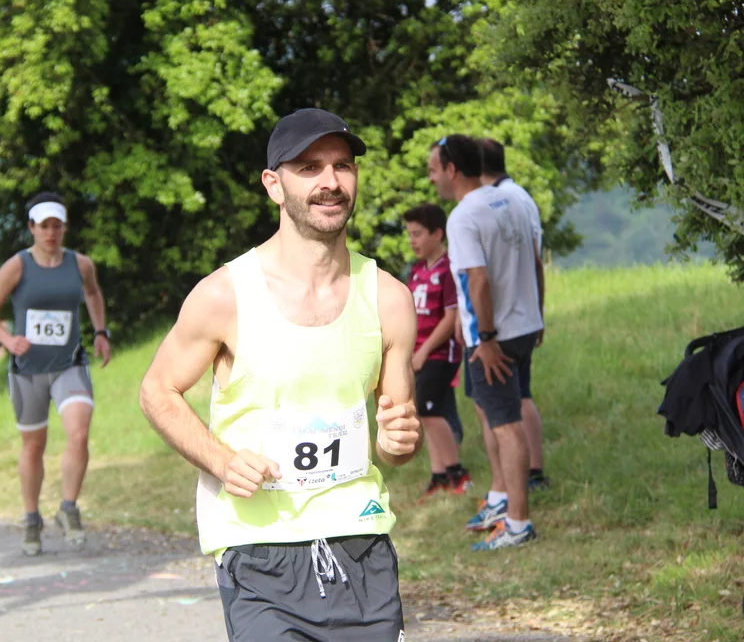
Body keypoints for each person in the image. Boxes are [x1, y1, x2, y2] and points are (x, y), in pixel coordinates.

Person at [140, 108, 421, 641]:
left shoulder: (388, 298)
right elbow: (158, 390)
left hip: (361, 543)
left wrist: (400, 440)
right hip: (258, 549)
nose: (330, 182)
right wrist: (222, 462)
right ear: (274, 184)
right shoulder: (225, 294)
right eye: (309, 168)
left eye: (342, 166)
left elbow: (396, 441)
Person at [0, 192, 112, 556]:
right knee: (33, 446)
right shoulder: (17, 266)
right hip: (28, 370)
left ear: (64, 228)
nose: (51, 233)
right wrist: (8, 340)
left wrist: (100, 331)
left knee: (79, 433)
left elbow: (93, 293)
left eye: (57, 226)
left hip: (70, 364)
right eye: (44, 226)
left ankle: (68, 508)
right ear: (32, 228)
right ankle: (31, 518)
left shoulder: (80, 264)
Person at [427, 135, 543, 550]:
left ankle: (518, 523)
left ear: (452, 169)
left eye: (434, 170)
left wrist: (488, 338)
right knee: (487, 408)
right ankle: (499, 497)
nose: (432, 179)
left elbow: (477, 279)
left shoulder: (463, 216)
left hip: (495, 337)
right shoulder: (513, 199)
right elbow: (534, 261)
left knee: (506, 425)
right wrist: (538, 314)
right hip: (523, 325)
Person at [478, 138, 550, 491]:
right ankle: (528, 471)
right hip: (524, 312)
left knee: (516, 398)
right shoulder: (517, 195)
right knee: (519, 394)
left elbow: (531, 261)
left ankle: (527, 473)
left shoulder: (505, 200)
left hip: (509, 317)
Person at [402, 203, 471, 501]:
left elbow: (450, 316)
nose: (412, 241)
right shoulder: (417, 271)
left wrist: (424, 351)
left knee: (429, 413)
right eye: (409, 234)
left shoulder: (448, 269)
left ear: (437, 234)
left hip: (441, 354)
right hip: (418, 353)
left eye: (417, 234)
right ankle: (439, 476)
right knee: (429, 412)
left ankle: (457, 472)